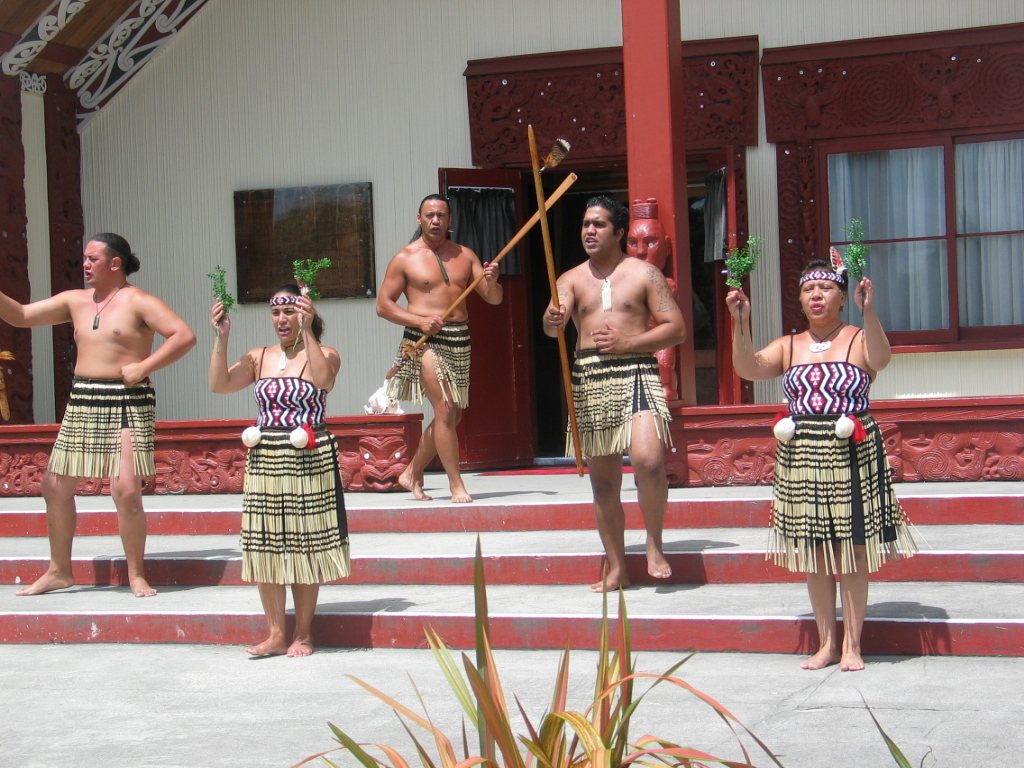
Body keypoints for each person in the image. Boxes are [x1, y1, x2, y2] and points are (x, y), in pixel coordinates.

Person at [725, 258, 917, 671]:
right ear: (799, 298)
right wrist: (740, 322)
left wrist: (870, 311)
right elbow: (748, 368)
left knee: (852, 550)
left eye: (826, 289)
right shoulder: (788, 345)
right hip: (803, 454)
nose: (816, 296)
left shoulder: (858, 338)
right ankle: (827, 643)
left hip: (851, 452)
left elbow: (881, 360)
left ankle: (852, 644)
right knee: (814, 552)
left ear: (843, 296)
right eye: (808, 290)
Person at [1, 233, 196, 597]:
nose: (85, 265)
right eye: (85, 258)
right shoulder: (75, 301)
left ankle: (136, 574)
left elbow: (183, 335)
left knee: (125, 490)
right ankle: (60, 570)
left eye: (92, 258)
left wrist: (144, 366)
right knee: (54, 486)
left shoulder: (139, 301)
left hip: (126, 399)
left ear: (114, 263)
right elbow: (21, 315)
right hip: (83, 398)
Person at [543, 196, 687, 592]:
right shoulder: (569, 278)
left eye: (599, 224)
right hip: (590, 377)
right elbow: (550, 325)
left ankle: (654, 542)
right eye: (586, 224)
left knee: (649, 461)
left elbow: (676, 328)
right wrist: (552, 319)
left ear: (619, 232)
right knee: (604, 482)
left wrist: (629, 342)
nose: (589, 230)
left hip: (635, 370)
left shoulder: (644, 274)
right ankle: (618, 566)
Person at [209, 285, 350, 657]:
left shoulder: (326, 353)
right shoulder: (259, 357)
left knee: (304, 545)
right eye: (276, 313)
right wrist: (222, 339)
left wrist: (309, 332)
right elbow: (219, 384)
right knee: (266, 544)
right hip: (266, 456)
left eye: (289, 311)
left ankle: (303, 633)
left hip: (308, 457)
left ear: (305, 313)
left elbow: (323, 381)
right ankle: (275, 633)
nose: (281, 319)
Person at [376, 194, 502, 503]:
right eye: (430, 215)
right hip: (424, 340)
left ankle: (410, 472)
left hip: (459, 338)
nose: (435, 220)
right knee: (445, 410)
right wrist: (418, 321)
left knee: (453, 416)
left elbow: (493, 298)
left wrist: (493, 281)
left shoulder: (465, 255)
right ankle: (455, 484)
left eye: (441, 215)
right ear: (418, 218)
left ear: (450, 220)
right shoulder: (405, 257)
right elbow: (383, 306)